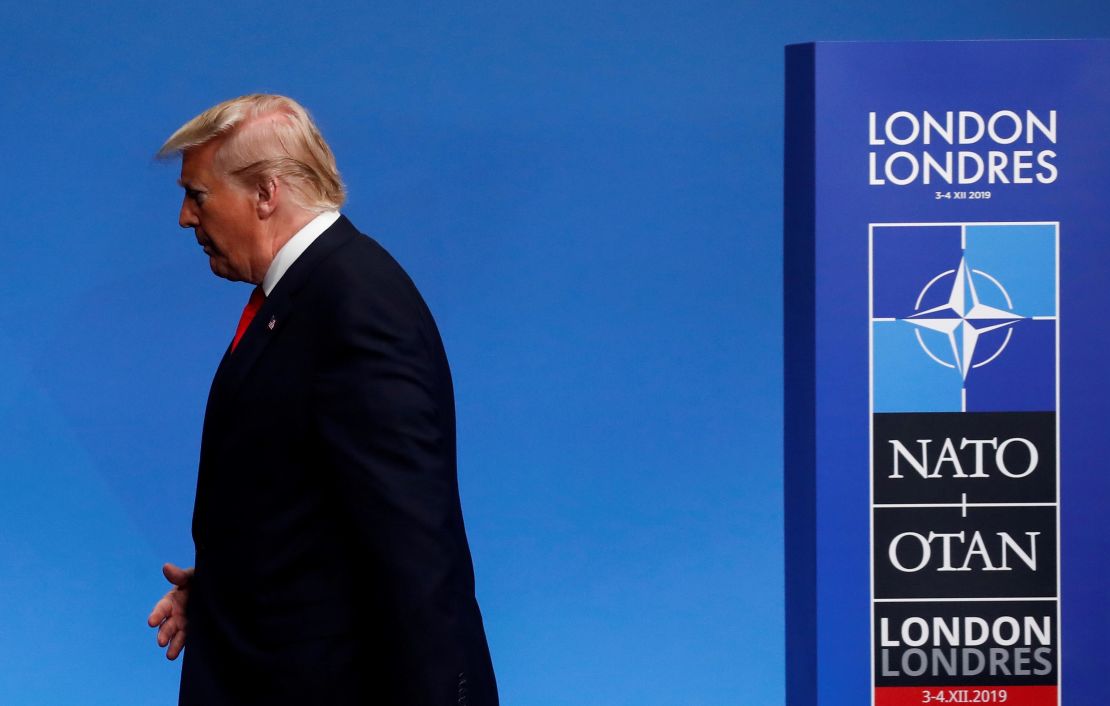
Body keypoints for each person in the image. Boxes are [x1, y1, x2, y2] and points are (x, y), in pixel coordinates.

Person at [146, 94, 498, 705]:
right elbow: (310, 498)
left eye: (197, 195)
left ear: (266, 193)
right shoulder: (305, 297)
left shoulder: (356, 305)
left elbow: (415, 547)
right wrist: (227, 584)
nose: (184, 217)